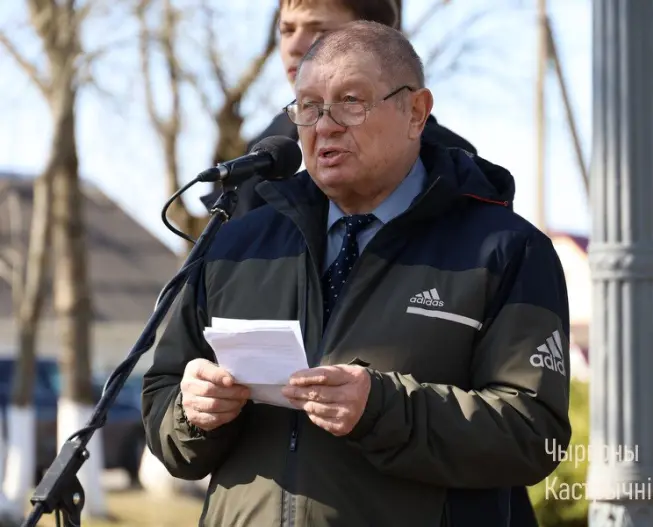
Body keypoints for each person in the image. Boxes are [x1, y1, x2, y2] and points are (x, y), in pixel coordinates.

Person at [142, 21, 571, 527]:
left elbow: (533, 434)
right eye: (307, 107)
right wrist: (194, 412)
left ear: (416, 112)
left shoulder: (505, 250)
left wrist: (383, 409)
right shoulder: (238, 245)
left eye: (350, 101)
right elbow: (163, 410)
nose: (324, 125)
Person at [199, 0, 477, 219]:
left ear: (377, 36)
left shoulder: (450, 165)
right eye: (287, 30)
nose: (295, 46)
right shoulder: (257, 154)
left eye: (320, 31)